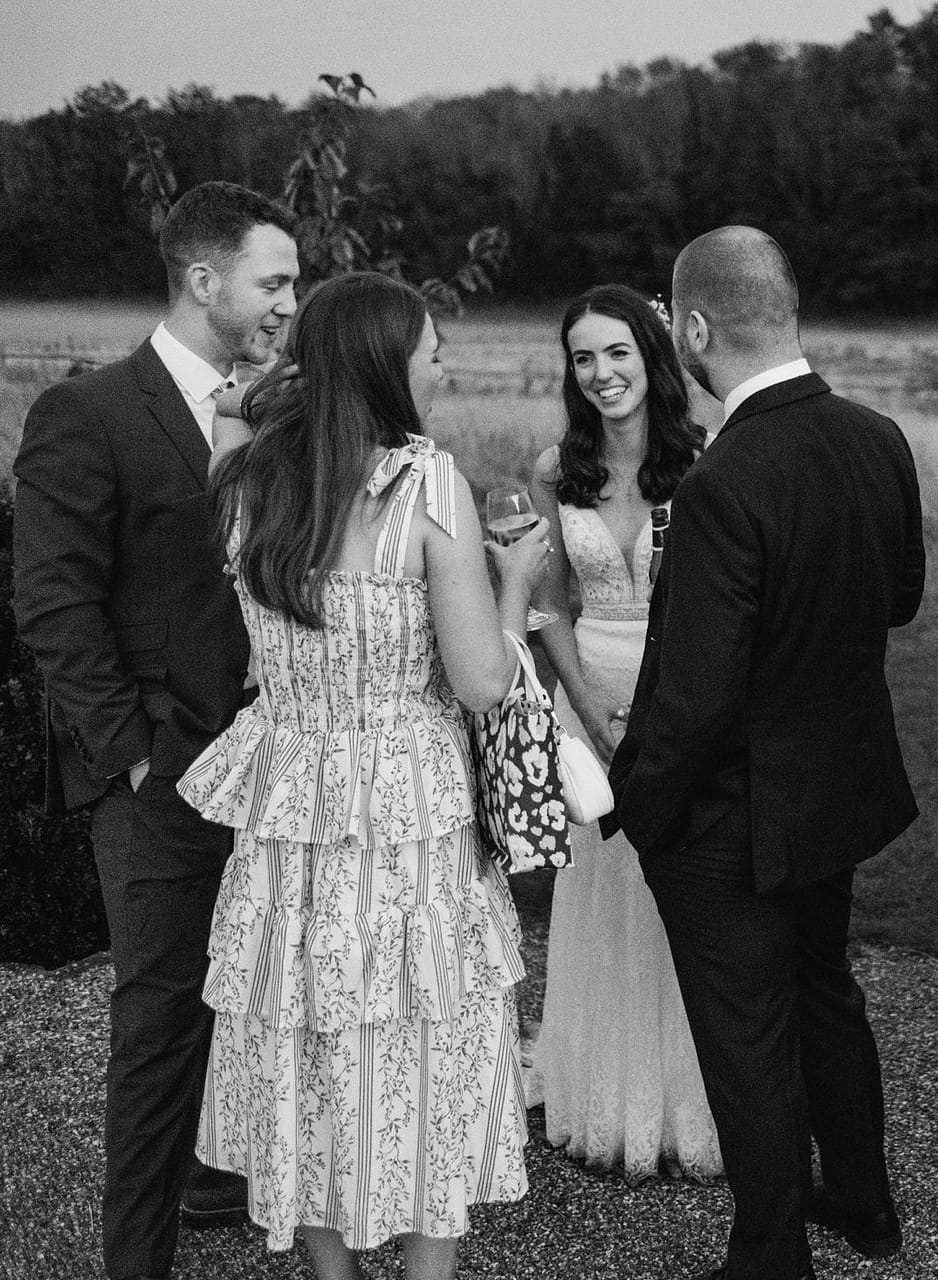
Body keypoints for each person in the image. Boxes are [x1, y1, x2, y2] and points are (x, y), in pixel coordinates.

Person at [177, 271, 547, 1279]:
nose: (444, 364)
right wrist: (513, 586)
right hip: (408, 812)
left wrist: (260, 394)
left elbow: (226, 406)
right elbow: (477, 681)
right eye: (431, 350)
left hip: (291, 801)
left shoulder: (247, 478)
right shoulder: (430, 487)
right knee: (432, 1045)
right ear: (388, 366)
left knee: (300, 1042)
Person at [607, 226, 924, 1280]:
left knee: (746, 1036)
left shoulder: (723, 481)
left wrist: (639, 810)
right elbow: (904, 595)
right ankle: (868, 1207)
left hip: (734, 821)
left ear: (694, 327)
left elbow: (694, 701)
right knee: (824, 990)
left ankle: (771, 1257)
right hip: (834, 794)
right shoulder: (878, 436)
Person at [11, 180, 295, 1280]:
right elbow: (52, 602)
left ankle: (217, 1172)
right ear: (204, 279)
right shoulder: (88, 412)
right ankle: (136, 1257)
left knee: (257, 986)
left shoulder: (271, 411)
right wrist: (131, 750)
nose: (287, 302)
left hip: (269, 761)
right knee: (161, 1015)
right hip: (157, 773)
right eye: (274, 281)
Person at [528, 284, 721, 1181]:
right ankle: (601, 1093)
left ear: (652, 356)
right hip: (588, 700)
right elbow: (550, 603)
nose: (601, 374)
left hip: (686, 702)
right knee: (605, 897)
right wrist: (587, 711)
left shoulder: (708, 461)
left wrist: (661, 713)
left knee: (682, 897)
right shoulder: (553, 468)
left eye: (617, 353)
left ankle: (696, 1104)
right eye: (583, 358)